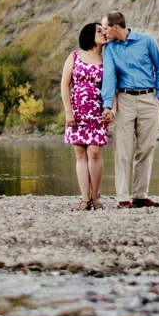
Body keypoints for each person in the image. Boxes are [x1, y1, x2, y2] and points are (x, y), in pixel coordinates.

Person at [100, 10, 159, 209]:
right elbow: (110, 77)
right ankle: (122, 198)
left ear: (115, 27)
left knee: (146, 148)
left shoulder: (147, 41)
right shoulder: (110, 49)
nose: (104, 33)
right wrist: (107, 105)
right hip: (125, 100)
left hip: (149, 99)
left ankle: (140, 196)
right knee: (122, 150)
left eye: (105, 29)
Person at [61, 22, 109, 211]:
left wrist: (110, 109)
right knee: (80, 154)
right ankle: (85, 198)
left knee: (95, 153)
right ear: (89, 35)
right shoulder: (74, 56)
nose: (104, 33)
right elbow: (65, 84)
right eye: (99, 31)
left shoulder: (108, 59)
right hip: (76, 113)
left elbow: (112, 87)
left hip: (98, 113)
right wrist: (68, 111)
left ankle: (96, 197)